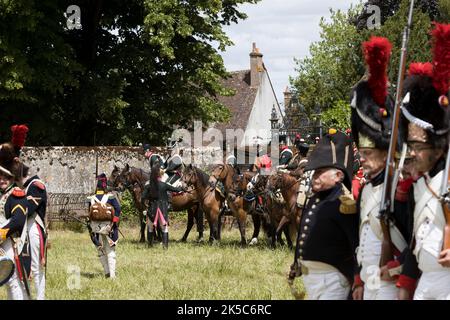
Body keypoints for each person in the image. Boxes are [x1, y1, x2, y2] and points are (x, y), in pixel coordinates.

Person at [350, 36, 412, 300]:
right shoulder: (365, 191)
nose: (361, 159)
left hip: (391, 282)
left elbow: (415, 240)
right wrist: (359, 280)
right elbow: (361, 240)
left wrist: (399, 270)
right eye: (360, 152)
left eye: (367, 153)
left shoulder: (400, 187)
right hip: (370, 282)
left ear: (384, 151)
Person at [398, 23, 450, 300]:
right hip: (427, 281)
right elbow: (416, 240)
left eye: (418, 146)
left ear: (439, 148)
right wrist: (406, 283)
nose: (413, 153)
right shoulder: (420, 186)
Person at [291, 130, 359, 300]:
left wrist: (358, 279)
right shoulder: (313, 200)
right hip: (312, 277)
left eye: (320, 172)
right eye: (314, 172)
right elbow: (304, 234)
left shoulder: (344, 204)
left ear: (338, 176)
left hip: (333, 278)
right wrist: (297, 262)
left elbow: (356, 246)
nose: (315, 177)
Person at [0, 136, 29, 300]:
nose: (2, 180)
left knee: (12, 281)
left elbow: (18, 221)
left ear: (12, 178)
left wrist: (1, 234)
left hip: (10, 243)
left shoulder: (16, 195)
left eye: (6, 177)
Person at [88, 173, 121, 279]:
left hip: (95, 229)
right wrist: (114, 222)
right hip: (109, 228)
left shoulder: (91, 199)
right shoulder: (110, 197)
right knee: (110, 251)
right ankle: (112, 275)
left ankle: (107, 272)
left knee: (100, 249)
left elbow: (89, 213)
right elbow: (118, 209)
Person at [144, 162, 184, 249]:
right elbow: (176, 190)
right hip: (162, 209)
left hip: (152, 209)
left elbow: (142, 198)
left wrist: (147, 202)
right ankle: (165, 247)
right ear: (160, 175)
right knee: (164, 229)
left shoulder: (148, 186)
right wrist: (181, 186)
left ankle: (150, 246)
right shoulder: (164, 185)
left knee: (150, 228)